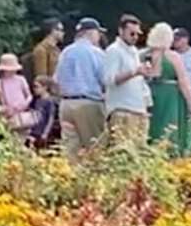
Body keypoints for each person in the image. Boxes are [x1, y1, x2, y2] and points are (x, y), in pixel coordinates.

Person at [145, 21, 191, 156]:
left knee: (154, 125)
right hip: (171, 96)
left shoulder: (145, 55)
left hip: (152, 94)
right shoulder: (173, 56)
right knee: (170, 126)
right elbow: (183, 81)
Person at [56, 17, 108, 160]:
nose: (99, 37)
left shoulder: (65, 52)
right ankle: (95, 181)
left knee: (70, 151)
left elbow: (57, 80)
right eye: (98, 33)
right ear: (91, 33)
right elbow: (105, 79)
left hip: (66, 104)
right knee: (95, 148)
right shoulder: (96, 52)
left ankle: (70, 179)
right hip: (88, 103)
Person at [102, 15, 152, 136]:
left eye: (137, 34)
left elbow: (137, 78)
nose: (135, 37)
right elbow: (109, 80)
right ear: (121, 31)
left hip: (138, 108)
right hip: (122, 109)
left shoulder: (134, 51)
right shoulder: (114, 50)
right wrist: (135, 72)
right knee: (122, 150)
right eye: (131, 34)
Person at [0, 53, 37, 133]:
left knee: (24, 135)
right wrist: (4, 109)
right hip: (8, 116)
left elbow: (29, 96)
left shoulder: (21, 79)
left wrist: (24, 104)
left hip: (22, 114)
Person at [30, 20, 64, 89]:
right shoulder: (41, 49)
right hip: (50, 91)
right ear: (52, 31)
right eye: (60, 30)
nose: (63, 33)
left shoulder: (56, 49)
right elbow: (41, 77)